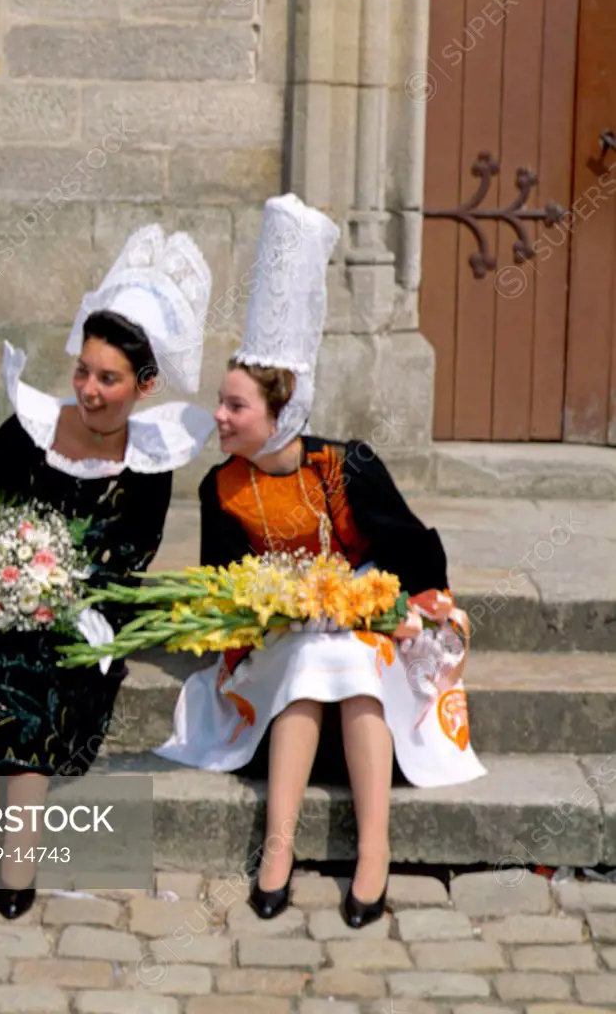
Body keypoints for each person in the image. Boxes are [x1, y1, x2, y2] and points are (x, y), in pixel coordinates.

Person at [154, 194, 487, 928]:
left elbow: (416, 551)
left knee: (350, 660)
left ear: (282, 416)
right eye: (220, 401)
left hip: (366, 628)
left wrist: (383, 604)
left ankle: (374, 851)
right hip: (281, 636)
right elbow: (221, 589)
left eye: (236, 406)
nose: (220, 416)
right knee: (308, 660)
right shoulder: (223, 488)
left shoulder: (344, 467)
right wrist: (275, 603)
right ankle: (279, 848)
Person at [0, 224, 214, 920]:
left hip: (80, 608)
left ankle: (20, 846)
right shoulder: (29, 428)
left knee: (47, 663)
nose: (88, 389)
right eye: (83, 370)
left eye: (108, 379)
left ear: (145, 385)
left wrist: (51, 597)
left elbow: (124, 564)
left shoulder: (148, 464)